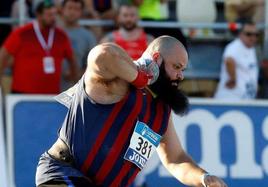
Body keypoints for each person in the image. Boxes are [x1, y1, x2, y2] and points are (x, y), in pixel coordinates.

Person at [35, 35, 227, 187]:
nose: (181, 76)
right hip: (62, 173)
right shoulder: (119, 82)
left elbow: (176, 159)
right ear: (156, 60)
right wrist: (140, 78)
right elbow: (101, 54)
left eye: (183, 69)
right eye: (176, 67)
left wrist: (204, 177)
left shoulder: (161, 111)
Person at [0, 0, 79, 94]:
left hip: (51, 95)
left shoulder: (61, 35)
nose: (53, 18)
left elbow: (72, 61)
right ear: (38, 15)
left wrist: (76, 83)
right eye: (49, 15)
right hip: (22, 95)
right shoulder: (22, 33)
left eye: (54, 14)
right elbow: (3, 57)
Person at [214, 21, 259, 100]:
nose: (253, 37)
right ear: (240, 34)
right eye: (249, 34)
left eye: (256, 35)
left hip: (245, 98)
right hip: (231, 98)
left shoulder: (252, 49)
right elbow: (229, 60)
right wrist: (233, 79)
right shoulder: (235, 46)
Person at [60, 0, 97, 90]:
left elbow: (94, 64)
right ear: (62, 10)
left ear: (81, 12)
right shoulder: (52, 33)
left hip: (76, 90)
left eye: (76, 9)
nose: (72, 12)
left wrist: (77, 74)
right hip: (50, 89)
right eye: (69, 8)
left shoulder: (88, 36)